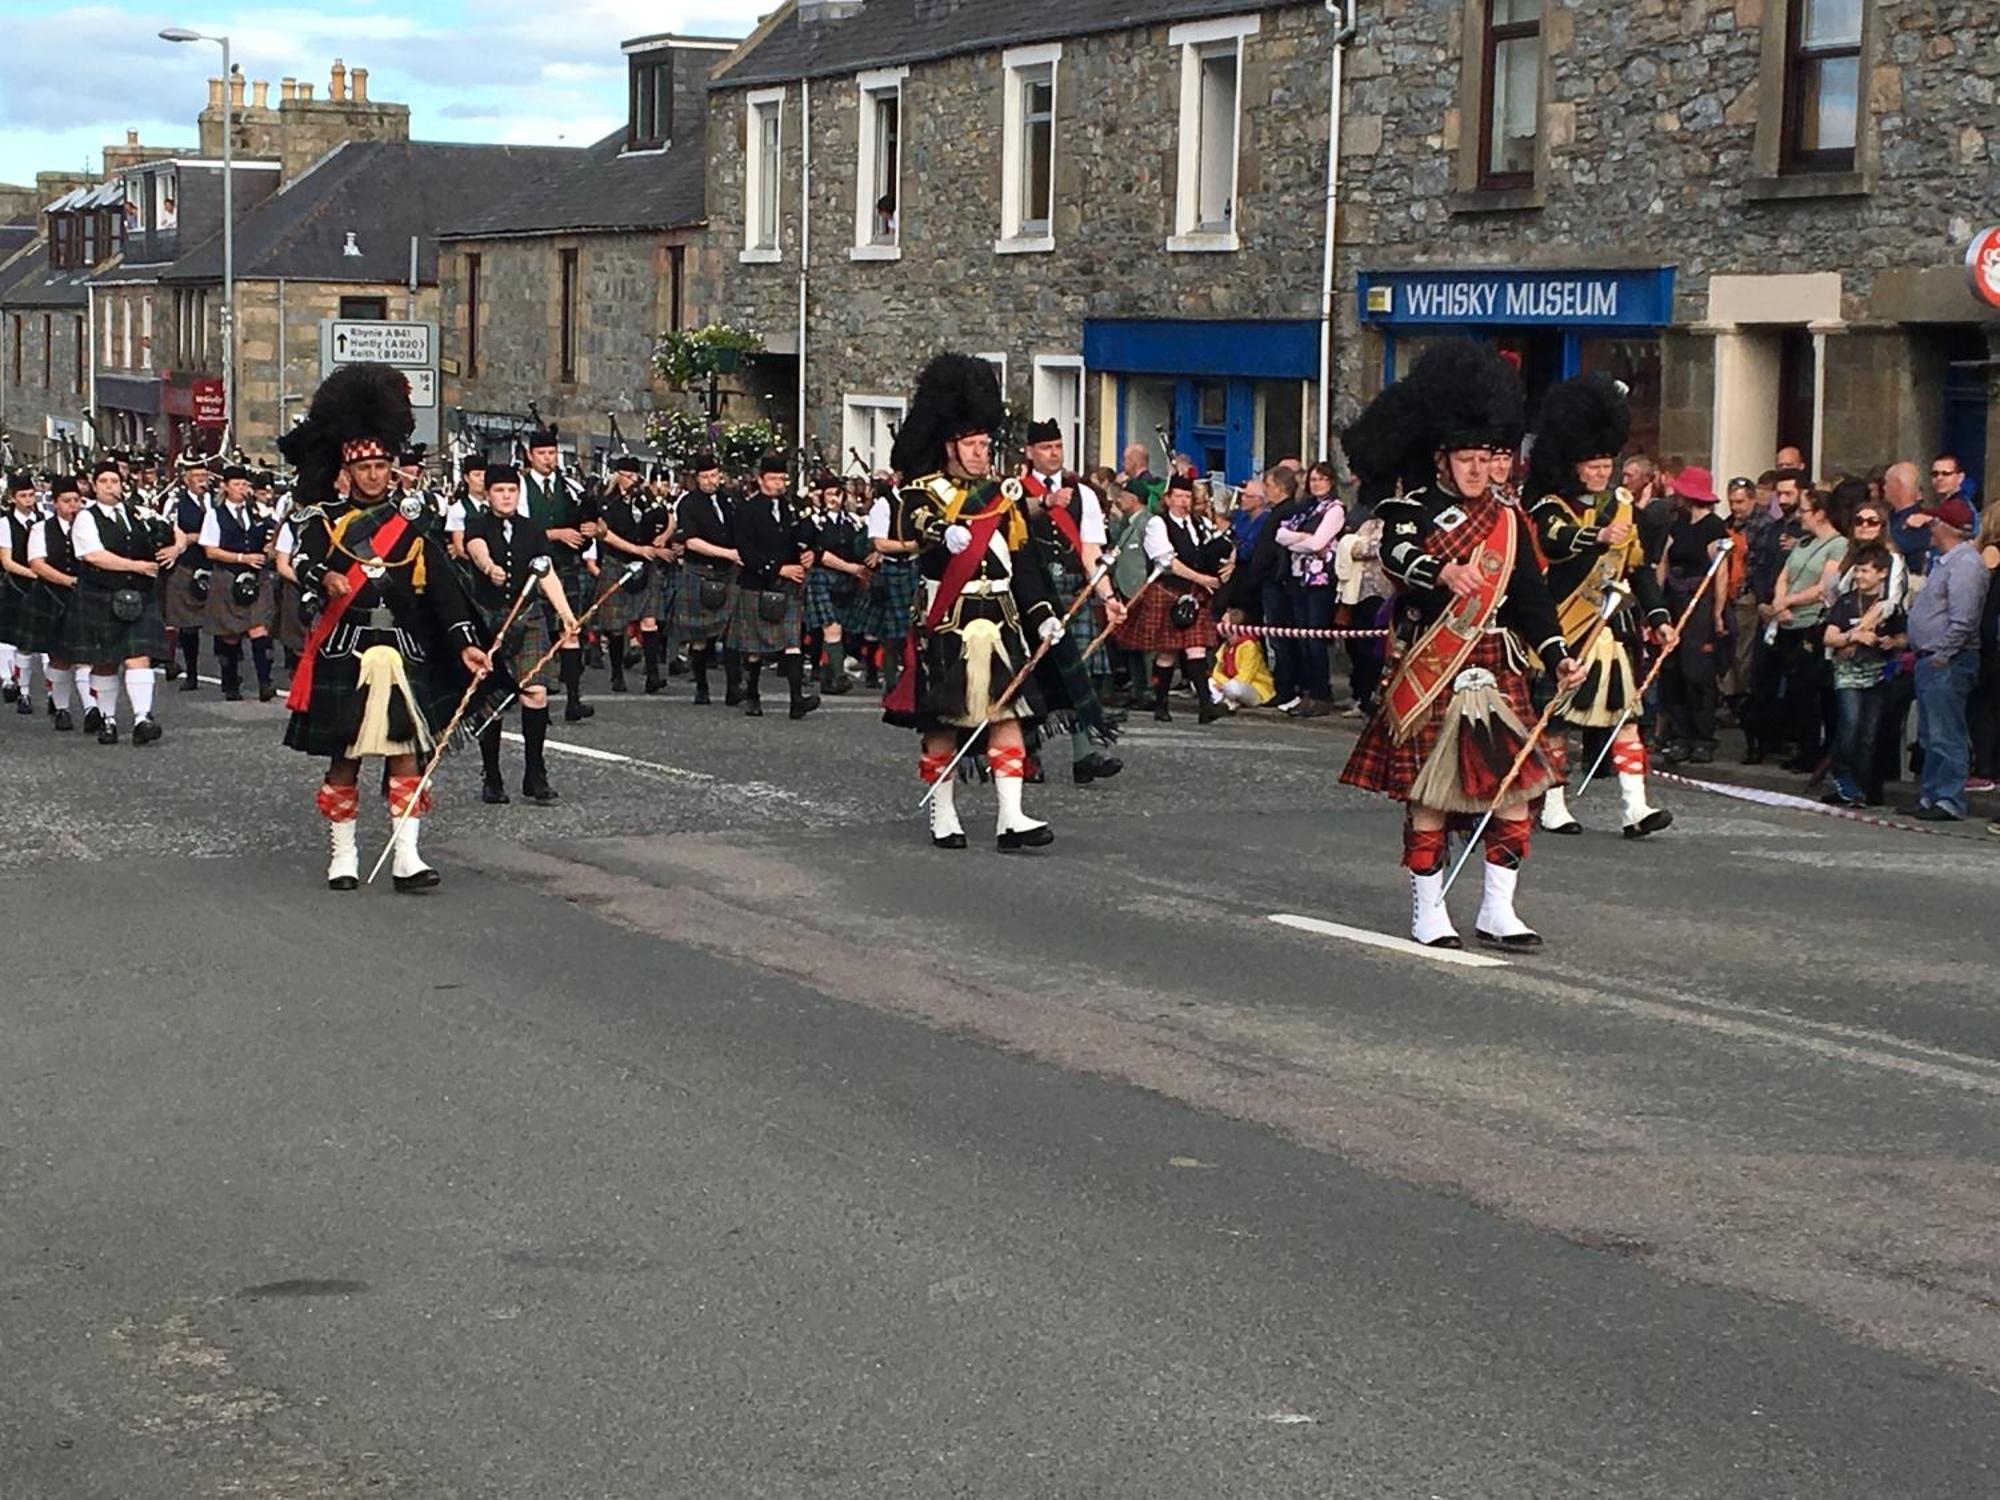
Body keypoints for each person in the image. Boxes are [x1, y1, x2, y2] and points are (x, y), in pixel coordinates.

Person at [1338, 339, 1584, 949]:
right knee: (1431, 796)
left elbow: (1530, 597)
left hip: (1497, 666)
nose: (1479, 470)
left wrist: (1558, 654)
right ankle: (1430, 911)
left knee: (1516, 792)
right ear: (1442, 459)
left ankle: (1498, 909)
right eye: (1467, 459)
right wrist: (1440, 573)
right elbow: (1395, 554)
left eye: (1488, 457)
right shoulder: (1409, 509)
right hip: (1433, 663)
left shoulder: (1508, 521)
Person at [280, 364, 497, 891]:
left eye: (381, 465)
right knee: (345, 760)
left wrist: (467, 643)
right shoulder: (321, 522)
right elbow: (300, 564)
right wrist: (325, 576)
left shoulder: (414, 529)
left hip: (401, 654)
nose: (374, 475)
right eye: (365, 467)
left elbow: (446, 596)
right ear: (347, 470)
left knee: (407, 753)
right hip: (345, 652)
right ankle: (344, 857)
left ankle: (407, 858)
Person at [883, 353, 1066, 852]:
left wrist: (1044, 614)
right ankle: (945, 814)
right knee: (943, 723)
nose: (984, 452)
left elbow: (1022, 566)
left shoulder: (998, 497)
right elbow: (917, 532)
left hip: (1000, 619)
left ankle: (1012, 817)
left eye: (987, 443)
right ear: (950, 446)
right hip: (951, 621)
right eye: (974, 444)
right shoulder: (923, 494)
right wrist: (946, 537)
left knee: (1008, 715)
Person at [1526, 373, 1675, 838]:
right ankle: (1553, 804)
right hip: (1564, 626)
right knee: (1557, 723)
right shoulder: (1550, 505)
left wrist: (1660, 618)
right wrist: (1595, 536)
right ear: (1573, 465)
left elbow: (1639, 568)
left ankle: (1636, 807)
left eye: (1606, 463)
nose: (1600, 472)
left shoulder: (1623, 507)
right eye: (1592, 465)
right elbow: (1556, 541)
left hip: (1609, 632)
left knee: (1627, 720)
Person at [463, 464, 580, 804]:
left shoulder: (531, 530)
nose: (507, 496)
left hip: (528, 618)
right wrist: (489, 568)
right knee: (493, 700)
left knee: (537, 693)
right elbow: (476, 549)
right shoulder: (477, 524)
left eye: (512, 491)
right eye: (500, 491)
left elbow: (546, 573)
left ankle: (535, 773)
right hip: (489, 620)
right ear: (488, 495)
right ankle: (493, 775)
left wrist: (566, 614)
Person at [1019, 416, 1125, 783]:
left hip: (1072, 591)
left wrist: (1107, 595)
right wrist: (1044, 502)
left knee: (1077, 670)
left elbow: (1091, 551)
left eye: (1058, 447)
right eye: (1046, 447)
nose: (1054, 453)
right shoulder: (1016, 490)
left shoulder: (1083, 494)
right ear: (1030, 452)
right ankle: (1028, 754)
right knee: (1029, 674)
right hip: (1029, 594)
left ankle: (1084, 755)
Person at [63, 458, 180, 745]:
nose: (109, 486)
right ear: (94, 485)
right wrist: (136, 566)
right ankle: (108, 719)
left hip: (139, 596)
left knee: (139, 657)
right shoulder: (86, 518)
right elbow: (93, 555)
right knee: (105, 662)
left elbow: (173, 530)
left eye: (114, 481)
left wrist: (175, 548)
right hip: (101, 595)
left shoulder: (137, 512)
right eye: (103, 481)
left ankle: (142, 718)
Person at [1116, 472, 1228, 723]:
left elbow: (1223, 543)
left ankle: (1205, 707)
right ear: (1167, 498)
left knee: (1196, 649)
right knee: (1167, 653)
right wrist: (1201, 579)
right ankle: (1161, 704)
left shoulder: (1199, 524)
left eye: (1187, 496)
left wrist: (1229, 561)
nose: (1183, 502)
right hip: (1167, 591)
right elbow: (1167, 562)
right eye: (1178, 496)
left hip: (1192, 594)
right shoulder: (1158, 524)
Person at [1904, 495, 1990, 820]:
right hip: (1931, 660)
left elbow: (1964, 618)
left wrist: (1943, 653)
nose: (1930, 526)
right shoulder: (1944, 562)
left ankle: (1948, 799)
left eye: (1935, 521)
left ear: (1947, 527)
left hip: (1949, 662)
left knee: (1946, 732)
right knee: (1930, 733)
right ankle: (1930, 795)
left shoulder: (1966, 564)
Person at [1752, 488, 1847, 771]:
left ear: (1820, 513)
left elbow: (1825, 586)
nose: (1800, 516)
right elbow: (1785, 574)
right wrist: (1779, 601)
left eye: (1805, 510)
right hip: (1784, 621)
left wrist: (1789, 601)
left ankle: (1815, 750)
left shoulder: (1837, 545)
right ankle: (1789, 742)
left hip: (1809, 622)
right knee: (1786, 687)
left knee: (1808, 689)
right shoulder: (1803, 543)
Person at [726, 452, 821, 720]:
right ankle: (753, 696)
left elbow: (809, 535)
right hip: (758, 583)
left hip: (788, 586)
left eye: (782, 478)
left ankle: (796, 700)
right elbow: (746, 550)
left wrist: (812, 551)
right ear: (760, 480)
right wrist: (777, 568)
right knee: (755, 648)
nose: (779, 483)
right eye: (773, 479)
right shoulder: (747, 510)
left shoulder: (792, 508)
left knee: (792, 642)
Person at [1654, 467, 1730, 764]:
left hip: (1699, 601)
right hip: (1674, 598)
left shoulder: (1714, 527)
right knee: (1671, 668)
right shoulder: (1678, 523)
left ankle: (1703, 736)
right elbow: (1664, 560)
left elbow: (1720, 572)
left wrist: (1718, 612)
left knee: (1696, 669)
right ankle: (1681, 734)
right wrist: (1657, 605)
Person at [1821, 543, 1906, 808]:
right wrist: (1854, 636)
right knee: (1849, 726)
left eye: (1866, 571)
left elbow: (1903, 637)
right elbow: (1829, 636)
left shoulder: (1890, 606)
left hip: (1877, 676)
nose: (1859, 576)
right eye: (1857, 570)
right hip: (1847, 676)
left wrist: (1892, 642)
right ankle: (1842, 777)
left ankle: (1859, 788)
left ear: (1882, 573)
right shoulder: (1847, 601)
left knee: (1869, 735)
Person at [519, 431, 596, 722]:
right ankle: (540, 702)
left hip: (566, 568)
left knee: (570, 629)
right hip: (534, 571)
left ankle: (574, 700)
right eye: (542, 454)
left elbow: (591, 523)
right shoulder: (521, 488)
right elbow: (521, 531)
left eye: (552, 453)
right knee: (541, 635)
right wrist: (556, 534)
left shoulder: (569, 486)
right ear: (530, 456)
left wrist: (591, 529)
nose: (548, 459)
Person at [591, 454, 675, 695]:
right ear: (618, 475)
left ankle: (653, 676)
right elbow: (604, 534)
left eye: (635, 476)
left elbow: (670, 518)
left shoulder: (647, 498)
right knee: (616, 625)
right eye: (627, 476)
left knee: (649, 620)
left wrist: (664, 537)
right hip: (618, 563)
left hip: (645, 565)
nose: (632, 480)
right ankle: (617, 674)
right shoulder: (607, 501)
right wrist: (638, 549)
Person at [198, 463, 280, 701]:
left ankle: (265, 683)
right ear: (225, 486)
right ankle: (230, 681)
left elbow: (273, 538)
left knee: (259, 629)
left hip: (256, 578)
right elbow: (211, 551)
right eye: (236, 484)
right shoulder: (215, 515)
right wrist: (242, 557)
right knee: (230, 634)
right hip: (228, 576)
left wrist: (269, 548)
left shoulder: (259, 513)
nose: (241, 489)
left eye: (245, 484)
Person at [669, 452, 743, 706]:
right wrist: (729, 553)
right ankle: (701, 686)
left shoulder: (729, 500)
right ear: (696, 478)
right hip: (699, 570)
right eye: (706, 476)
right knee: (699, 635)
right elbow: (691, 541)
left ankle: (735, 687)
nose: (711, 481)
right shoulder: (688, 504)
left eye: (714, 475)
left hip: (729, 572)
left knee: (733, 630)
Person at [1274, 460, 1345, 717]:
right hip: (1298, 576)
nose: (1316, 484)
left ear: (1331, 482)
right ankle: (1308, 690)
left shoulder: (1334, 510)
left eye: (1322, 479)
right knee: (1303, 636)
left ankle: (1321, 692)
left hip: (1320, 581)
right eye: (1313, 480)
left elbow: (1318, 542)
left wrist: (1302, 540)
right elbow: (1281, 535)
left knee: (1315, 637)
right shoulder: (1306, 509)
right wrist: (1302, 539)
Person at [21, 472, 88, 731]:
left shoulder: (90, 526)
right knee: (59, 657)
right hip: (53, 598)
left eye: (76, 500)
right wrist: (69, 581)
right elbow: (38, 564)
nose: (73, 506)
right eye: (67, 501)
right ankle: (61, 709)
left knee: (87, 655)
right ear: (55, 503)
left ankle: (92, 708)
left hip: (86, 597)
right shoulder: (41, 529)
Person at [805, 472, 865, 696]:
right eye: (830, 494)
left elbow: (859, 548)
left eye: (838, 494)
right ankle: (838, 676)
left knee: (838, 629)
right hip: (822, 577)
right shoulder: (814, 522)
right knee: (832, 627)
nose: (834, 499)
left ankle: (827, 675)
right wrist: (852, 568)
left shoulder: (853, 522)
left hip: (845, 582)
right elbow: (819, 553)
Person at [160, 453, 213, 689]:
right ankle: (190, 674)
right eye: (197, 476)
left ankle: (230, 675)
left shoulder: (217, 501)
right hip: (187, 565)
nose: (202, 481)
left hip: (215, 566)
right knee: (188, 624)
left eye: (204, 475)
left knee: (223, 624)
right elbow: (166, 531)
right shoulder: (176, 503)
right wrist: (191, 539)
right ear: (187, 479)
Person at [0, 472, 42, 714]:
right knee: (11, 638)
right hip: (16, 584)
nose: (28, 500)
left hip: (41, 586)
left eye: (31, 495)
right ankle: (9, 680)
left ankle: (50, 694)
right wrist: (36, 573)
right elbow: (7, 561)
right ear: (12, 498)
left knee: (44, 640)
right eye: (23, 496)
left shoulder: (43, 518)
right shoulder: (5, 523)